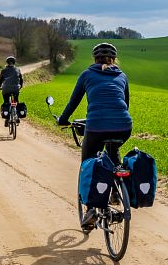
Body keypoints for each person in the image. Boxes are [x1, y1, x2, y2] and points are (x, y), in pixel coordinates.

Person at [56, 42, 132, 229]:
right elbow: (126, 103)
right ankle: (115, 190)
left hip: (97, 126)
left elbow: (73, 102)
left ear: (94, 59)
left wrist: (62, 120)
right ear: (114, 59)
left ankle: (90, 210)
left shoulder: (87, 74)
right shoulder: (122, 76)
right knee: (113, 151)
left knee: (88, 163)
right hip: (124, 126)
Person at [0, 56, 24, 126]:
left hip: (5, 89)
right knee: (16, 100)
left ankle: (7, 119)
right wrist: (20, 86)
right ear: (14, 62)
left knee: (6, 102)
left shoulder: (3, 71)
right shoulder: (17, 69)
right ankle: (17, 116)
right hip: (16, 89)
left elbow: (0, 81)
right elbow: (21, 79)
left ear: (7, 63)